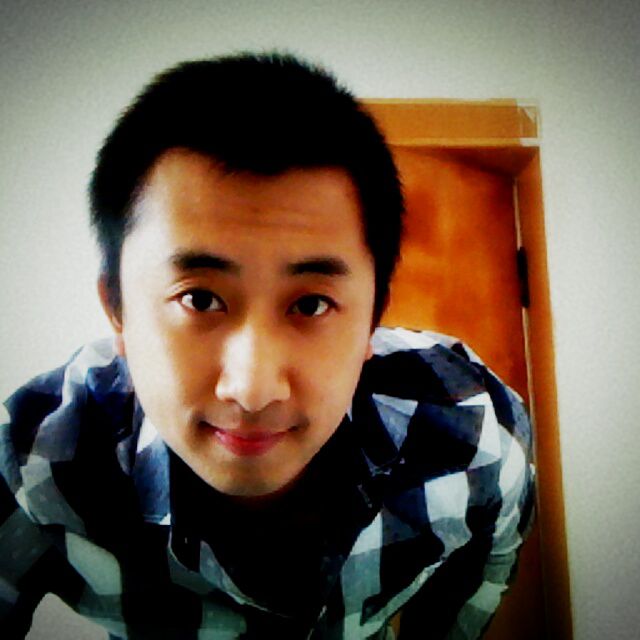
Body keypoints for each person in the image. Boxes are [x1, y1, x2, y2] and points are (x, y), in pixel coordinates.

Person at [0, 52, 534, 639]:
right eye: (199, 298)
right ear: (117, 308)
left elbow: (480, 582)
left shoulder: (471, 434)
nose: (252, 390)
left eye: (311, 304)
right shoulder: (31, 465)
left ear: (373, 320)